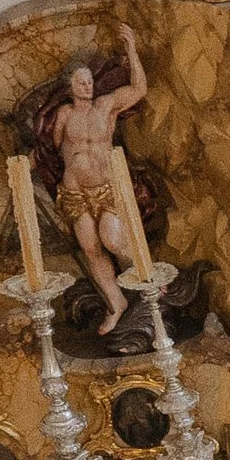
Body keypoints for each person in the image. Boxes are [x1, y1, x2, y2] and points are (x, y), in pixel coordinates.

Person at [47, 25, 148, 335]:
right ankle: (117, 303)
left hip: (105, 189)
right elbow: (54, 149)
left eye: (90, 81)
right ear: (70, 86)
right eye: (81, 82)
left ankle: (146, 278)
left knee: (113, 239)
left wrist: (131, 50)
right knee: (91, 248)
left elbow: (139, 90)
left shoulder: (106, 107)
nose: (88, 86)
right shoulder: (64, 114)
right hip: (76, 192)